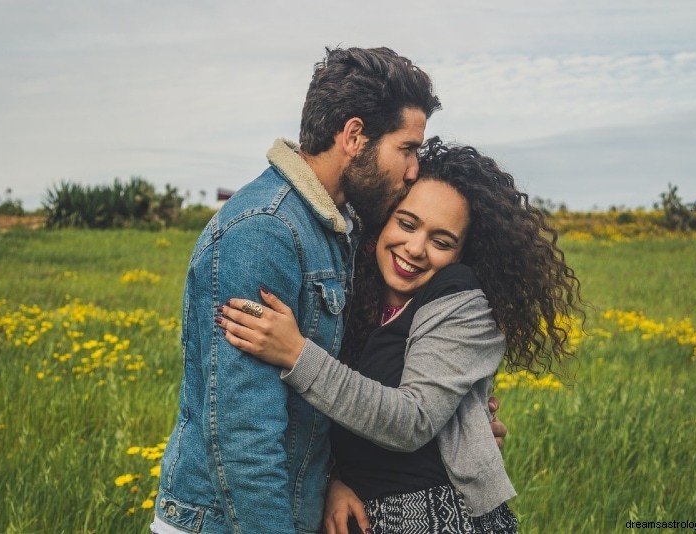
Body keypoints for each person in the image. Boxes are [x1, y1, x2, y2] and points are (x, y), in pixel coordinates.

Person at [152, 48, 504, 534]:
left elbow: (328, 398)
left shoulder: (341, 227)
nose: (414, 170)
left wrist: (333, 478)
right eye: (407, 148)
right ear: (355, 136)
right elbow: (242, 437)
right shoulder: (264, 232)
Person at [217, 138, 584, 533]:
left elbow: (411, 421)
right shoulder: (350, 295)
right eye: (407, 224)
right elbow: (327, 415)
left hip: (441, 518)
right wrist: (331, 481)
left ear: (461, 254)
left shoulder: (462, 302)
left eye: (441, 242)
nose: (415, 248)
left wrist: (295, 354)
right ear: (382, 221)